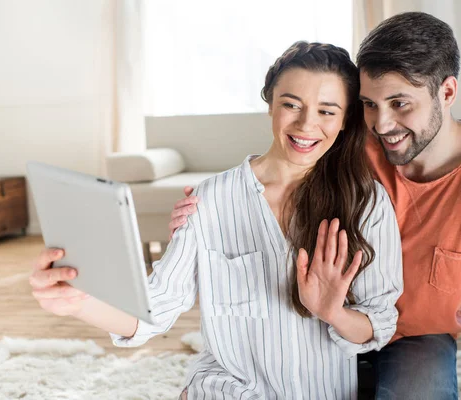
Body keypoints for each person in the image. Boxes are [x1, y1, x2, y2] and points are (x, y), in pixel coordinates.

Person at [169, 12, 461, 400]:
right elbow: (273, 176)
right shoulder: (345, 139)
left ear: (447, 93)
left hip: (413, 339)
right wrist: (202, 219)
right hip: (310, 326)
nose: (381, 125)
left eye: (400, 104)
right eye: (369, 104)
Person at [29, 41, 403, 399]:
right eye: (291, 104)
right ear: (270, 104)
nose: (306, 125)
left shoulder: (366, 202)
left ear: (344, 120)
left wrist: (332, 312)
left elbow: (379, 323)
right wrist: (75, 302)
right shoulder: (211, 199)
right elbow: (156, 308)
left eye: (326, 111)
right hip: (227, 389)